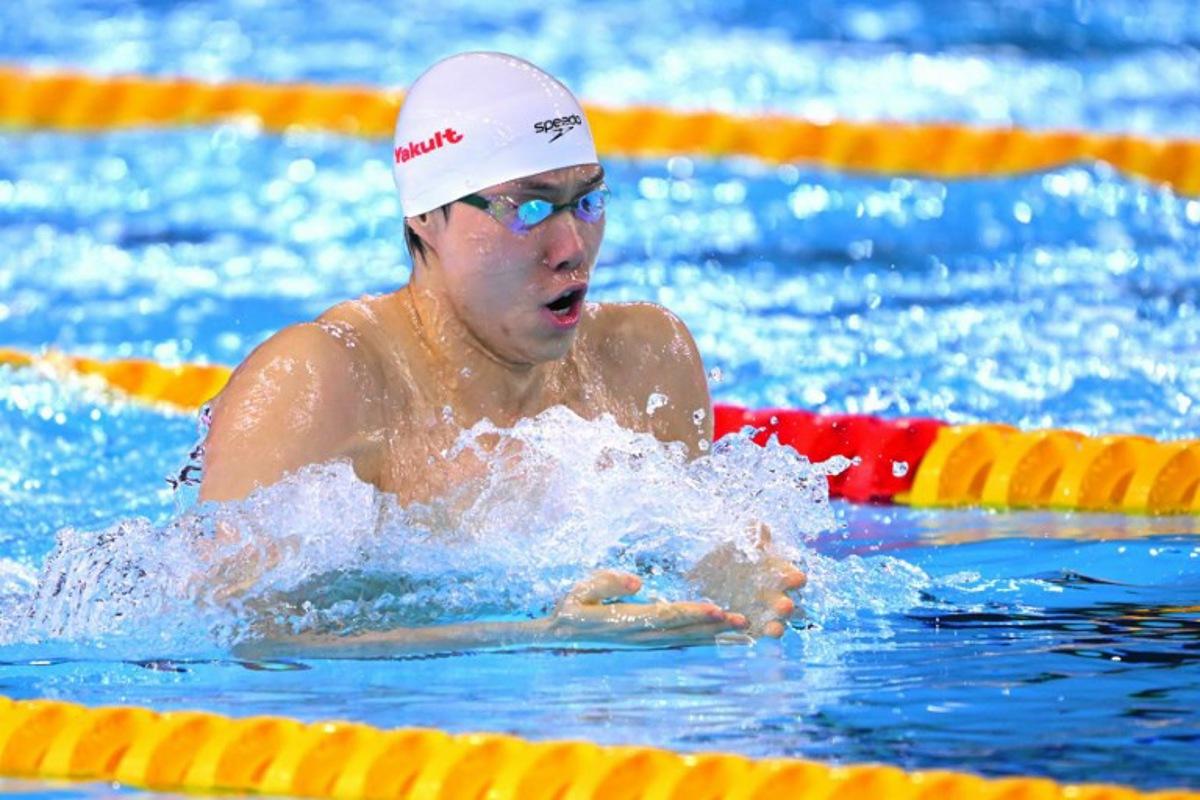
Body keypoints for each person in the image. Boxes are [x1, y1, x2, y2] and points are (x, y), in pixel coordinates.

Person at [199, 52, 804, 657]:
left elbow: (683, 556)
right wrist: (532, 637)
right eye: (530, 208)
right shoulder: (317, 382)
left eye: (588, 202)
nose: (573, 249)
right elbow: (236, 638)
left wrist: (735, 580)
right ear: (426, 216)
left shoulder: (644, 360)